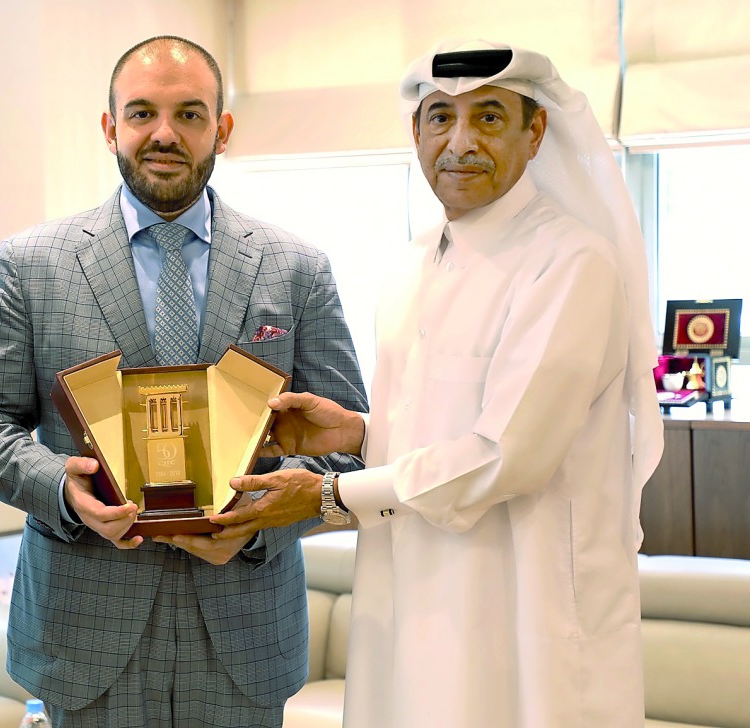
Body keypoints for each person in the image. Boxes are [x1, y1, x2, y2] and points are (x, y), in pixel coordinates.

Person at [212, 41, 665, 728]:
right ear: (415, 132)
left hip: (523, 618)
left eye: (488, 118)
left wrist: (330, 493)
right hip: (412, 602)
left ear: (534, 131)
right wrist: (358, 434)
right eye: (438, 119)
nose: (459, 143)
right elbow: (442, 426)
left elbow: (507, 455)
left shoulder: (573, 264)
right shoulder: (413, 263)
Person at [0, 35, 366, 728]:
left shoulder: (298, 269)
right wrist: (63, 487)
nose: (164, 134)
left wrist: (261, 522)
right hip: (84, 631)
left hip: (246, 633)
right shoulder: (31, 265)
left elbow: (346, 437)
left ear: (222, 131)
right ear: (110, 128)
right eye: (141, 113)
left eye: (190, 115)